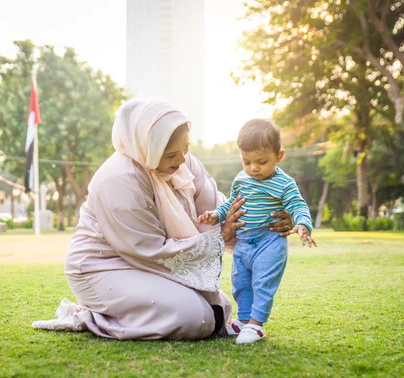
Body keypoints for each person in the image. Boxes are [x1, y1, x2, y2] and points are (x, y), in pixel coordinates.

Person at [32, 100, 294, 340]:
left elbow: (219, 207)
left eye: (185, 148)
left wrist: (270, 217)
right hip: (102, 265)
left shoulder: (183, 161)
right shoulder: (119, 179)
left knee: (217, 310)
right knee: (194, 317)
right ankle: (91, 316)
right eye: (171, 155)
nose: (181, 160)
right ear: (147, 147)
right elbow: (146, 249)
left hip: (150, 260)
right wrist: (220, 236)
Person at [198, 118, 317, 344]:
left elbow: (297, 205)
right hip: (244, 243)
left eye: (262, 162)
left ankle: (257, 324)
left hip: (269, 240)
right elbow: (232, 203)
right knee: (240, 282)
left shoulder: (284, 183)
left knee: (262, 282)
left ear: (279, 156)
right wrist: (216, 214)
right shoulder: (241, 179)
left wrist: (302, 224)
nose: (253, 168)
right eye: (246, 161)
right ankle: (243, 320)